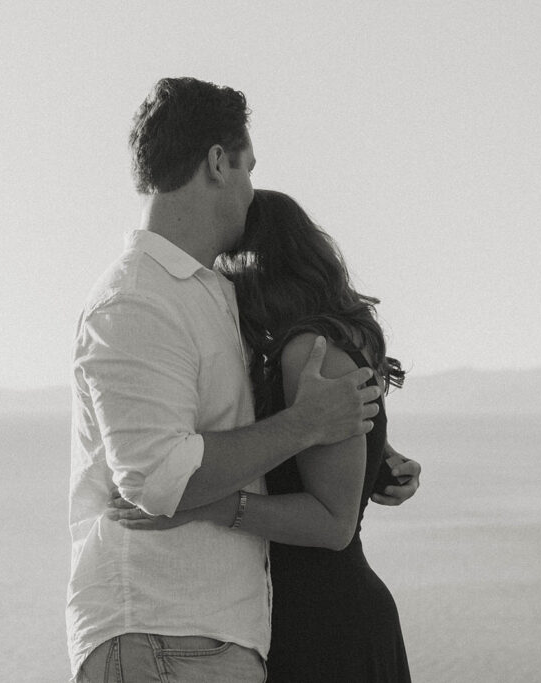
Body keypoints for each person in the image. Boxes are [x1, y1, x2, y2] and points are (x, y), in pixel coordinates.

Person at [68, 77, 421, 682]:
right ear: (216, 163)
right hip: (161, 638)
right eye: (248, 167)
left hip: (206, 640)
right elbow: (158, 478)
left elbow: (245, 422)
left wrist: (365, 446)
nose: (252, 190)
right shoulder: (137, 301)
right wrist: (308, 424)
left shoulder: (210, 298)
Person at [112, 189, 413, 681]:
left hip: (327, 629)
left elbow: (333, 524)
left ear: (253, 269)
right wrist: (386, 464)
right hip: (316, 622)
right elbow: (332, 452)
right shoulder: (306, 348)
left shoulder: (307, 353)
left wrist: (208, 505)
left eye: (226, 269)